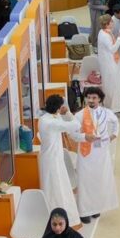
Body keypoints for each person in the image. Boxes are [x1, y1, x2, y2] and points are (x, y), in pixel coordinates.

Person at [70, 87, 119, 222]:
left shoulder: (106, 113)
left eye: (94, 98)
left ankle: (96, 208)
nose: (91, 100)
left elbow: (116, 122)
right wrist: (85, 137)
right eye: (88, 97)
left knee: (99, 180)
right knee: (85, 182)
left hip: (101, 153)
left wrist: (114, 135)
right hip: (86, 154)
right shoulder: (79, 115)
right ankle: (84, 212)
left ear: (100, 99)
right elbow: (73, 134)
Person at [38, 95, 82, 227]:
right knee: (55, 188)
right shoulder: (52, 123)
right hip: (52, 161)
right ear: (58, 108)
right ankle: (57, 218)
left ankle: (59, 215)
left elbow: (60, 119)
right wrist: (67, 113)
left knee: (58, 186)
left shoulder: (46, 118)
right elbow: (76, 124)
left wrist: (61, 113)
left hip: (53, 158)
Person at [97, 14, 120, 114]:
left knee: (115, 84)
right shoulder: (104, 35)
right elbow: (113, 49)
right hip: (109, 63)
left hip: (112, 61)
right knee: (112, 85)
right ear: (107, 24)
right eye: (111, 21)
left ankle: (117, 106)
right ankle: (112, 107)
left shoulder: (106, 32)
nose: (113, 22)